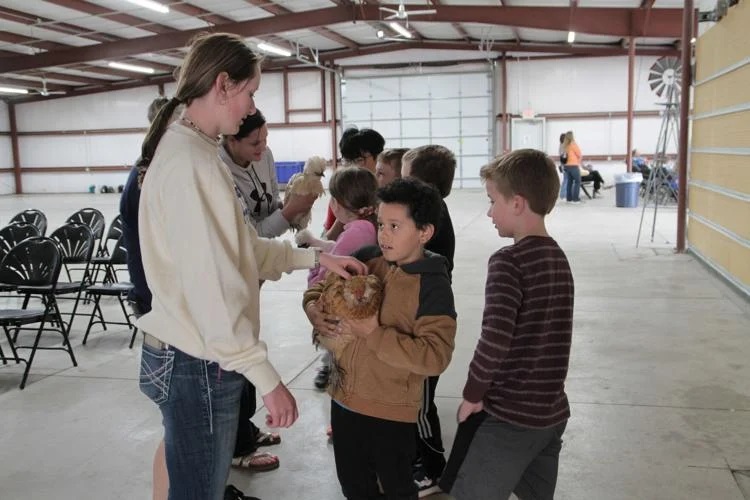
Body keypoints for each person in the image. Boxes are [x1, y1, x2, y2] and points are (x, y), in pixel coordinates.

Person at [135, 33, 365, 500]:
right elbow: (211, 288)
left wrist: (317, 256)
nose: (251, 107)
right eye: (251, 92)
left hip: (194, 353)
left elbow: (240, 248)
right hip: (198, 360)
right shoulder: (190, 164)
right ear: (223, 84)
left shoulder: (198, 150)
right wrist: (267, 379)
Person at [303, 177, 457, 500]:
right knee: (354, 487)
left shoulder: (433, 285)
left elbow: (435, 356)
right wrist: (313, 310)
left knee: (397, 488)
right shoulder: (366, 258)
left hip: (390, 413)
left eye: (395, 226)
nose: (383, 234)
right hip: (343, 401)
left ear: (425, 232)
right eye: (380, 223)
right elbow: (322, 287)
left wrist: (374, 334)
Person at [439, 149, 573, 500]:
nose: (488, 212)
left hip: (512, 417)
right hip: (551, 413)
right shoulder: (558, 257)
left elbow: (494, 339)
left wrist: (472, 395)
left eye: (492, 200)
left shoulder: (508, 262)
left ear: (517, 203)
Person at [220, 109, 318, 473]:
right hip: (239, 274)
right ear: (229, 138)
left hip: (256, 272)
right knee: (237, 358)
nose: (263, 149)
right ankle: (236, 446)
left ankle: (242, 430)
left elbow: (267, 217)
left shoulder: (263, 157)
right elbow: (251, 239)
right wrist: (289, 214)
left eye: (266, 139)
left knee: (248, 347)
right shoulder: (216, 172)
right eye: (253, 142)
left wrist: (293, 216)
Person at [400, 145, 456, 496]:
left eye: (406, 180)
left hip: (426, 325)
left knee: (421, 407)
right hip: (418, 318)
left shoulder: (431, 224)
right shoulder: (434, 213)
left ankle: (434, 470)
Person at [301, 166, 379, 394]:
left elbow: (329, 272)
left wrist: (313, 270)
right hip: (359, 304)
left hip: (343, 308)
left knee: (337, 351)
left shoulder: (355, 232)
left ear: (335, 204)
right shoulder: (367, 225)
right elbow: (338, 249)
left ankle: (332, 375)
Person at [323, 127, 385, 241]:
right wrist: (345, 212)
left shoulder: (388, 194)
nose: (352, 167)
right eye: (346, 160)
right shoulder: (339, 197)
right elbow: (327, 239)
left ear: (378, 157)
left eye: (358, 160)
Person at [561, 131, 582, 203]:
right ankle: (575, 199)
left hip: (567, 166)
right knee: (578, 181)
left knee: (569, 182)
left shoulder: (564, 145)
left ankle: (569, 199)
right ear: (572, 136)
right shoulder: (573, 144)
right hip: (573, 165)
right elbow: (579, 154)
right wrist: (578, 162)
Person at [558, 133, 568, 199]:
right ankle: (563, 194)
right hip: (565, 164)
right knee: (566, 179)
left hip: (563, 164)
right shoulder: (564, 146)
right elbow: (564, 156)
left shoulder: (561, 145)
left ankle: (563, 194)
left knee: (565, 179)